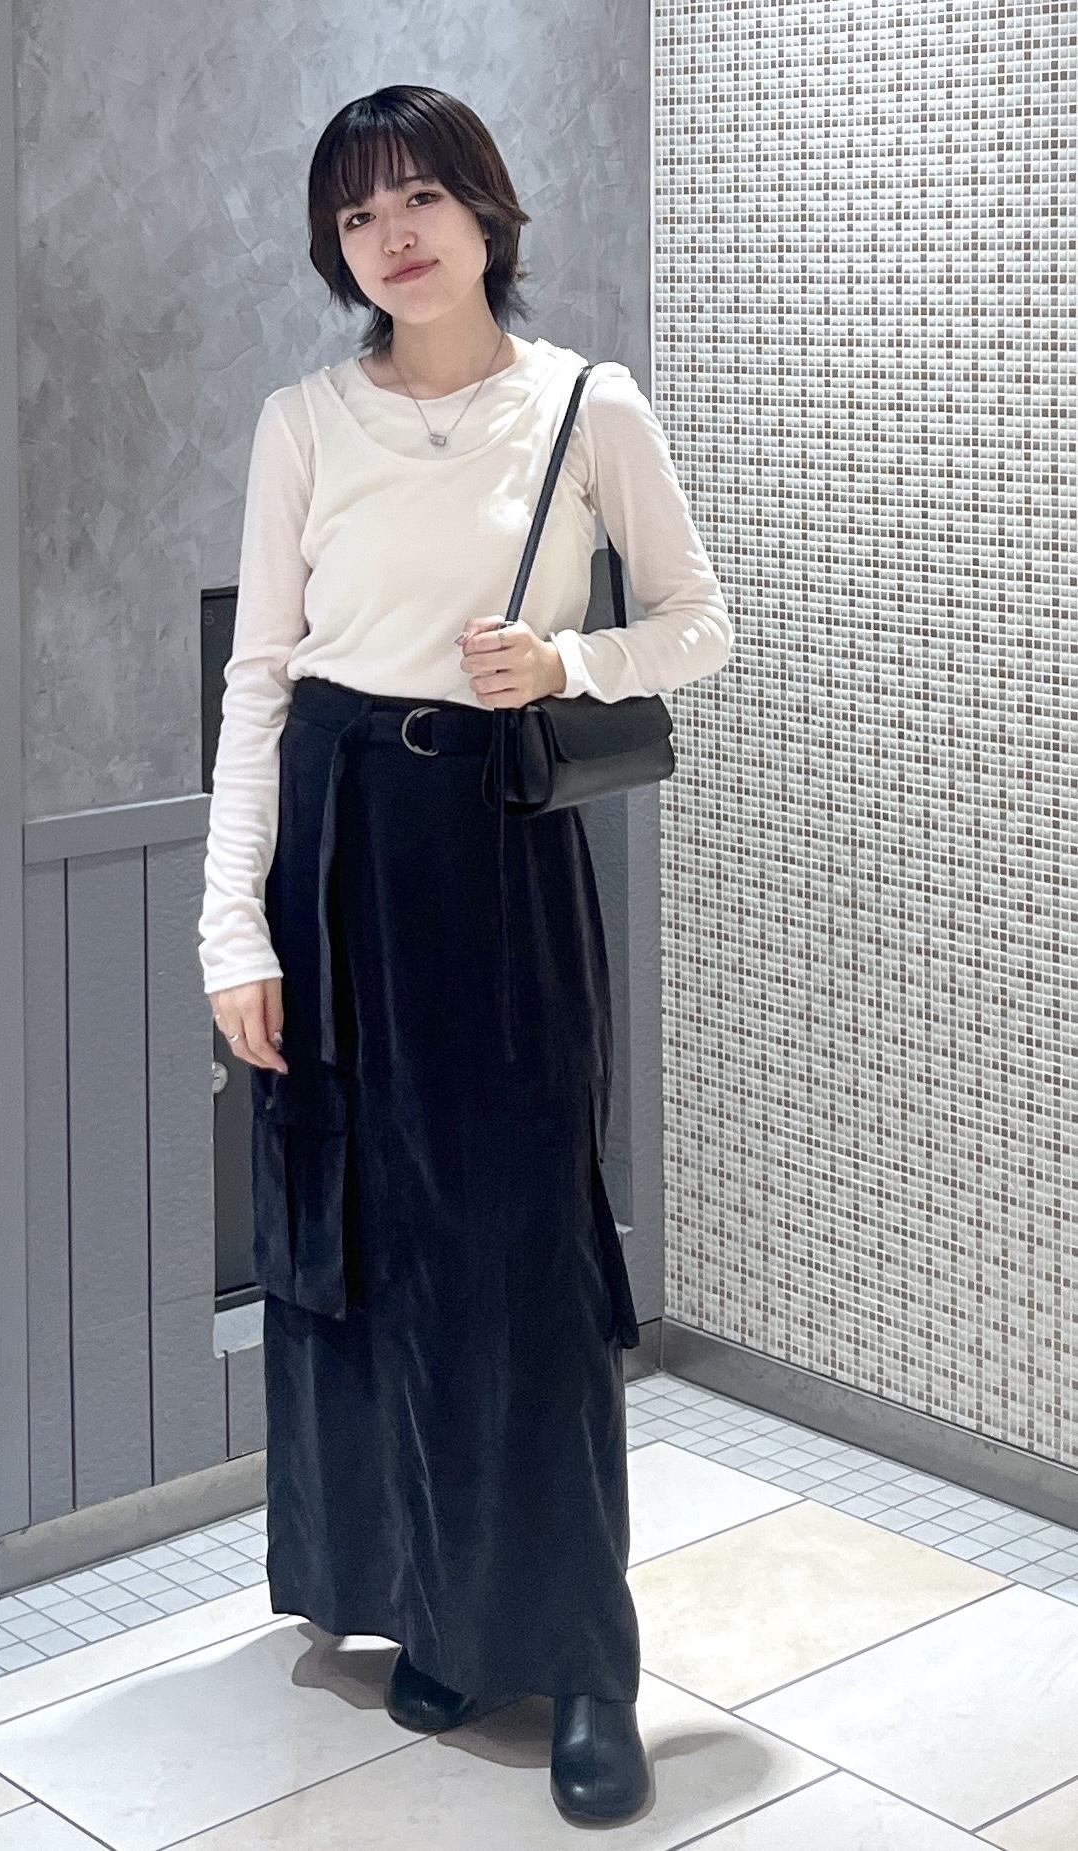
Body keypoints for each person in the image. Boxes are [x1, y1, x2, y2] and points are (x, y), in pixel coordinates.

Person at [198, 83, 732, 1827]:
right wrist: (229, 928)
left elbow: (699, 623)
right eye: (356, 216)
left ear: (486, 211)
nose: (392, 237)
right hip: (332, 849)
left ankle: (584, 1664)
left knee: (518, 1256)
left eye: (418, 197)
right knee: (363, 1248)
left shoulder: (584, 403)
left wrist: (569, 666)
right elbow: (260, 680)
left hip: (493, 861)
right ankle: (432, 1608)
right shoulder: (301, 421)